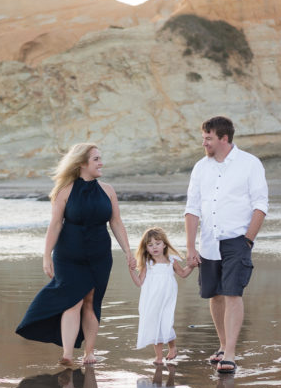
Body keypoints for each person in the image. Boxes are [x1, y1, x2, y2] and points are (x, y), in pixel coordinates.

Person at [16, 143, 135, 366]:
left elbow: (116, 222)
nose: (101, 163)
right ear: (82, 163)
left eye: (100, 158)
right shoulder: (65, 190)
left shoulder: (108, 190)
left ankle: (89, 352)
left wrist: (128, 251)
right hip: (69, 255)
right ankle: (67, 355)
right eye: (96, 159)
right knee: (72, 300)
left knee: (91, 301)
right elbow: (55, 224)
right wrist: (46, 255)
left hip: (99, 255)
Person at [184, 117, 268, 373]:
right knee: (215, 295)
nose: (204, 143)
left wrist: (248, 240)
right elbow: (192, 208)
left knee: (232, 293)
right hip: (209, 241)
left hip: (237, 240)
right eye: (203, 138)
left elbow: (260, 204)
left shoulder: (250, 164)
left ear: (224, 138)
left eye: (208, 138)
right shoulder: (200, 167)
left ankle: (230, 352)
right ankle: (222, 345)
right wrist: (191, 247)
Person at [129, 227, 193, 363]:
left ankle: (172, 348)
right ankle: (158, 356)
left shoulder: (171, 260)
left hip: (167, 298)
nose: (154, 247)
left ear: (164, 244)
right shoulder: (147, 263)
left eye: (157, 243)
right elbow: (139, 283)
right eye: (150, 245)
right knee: (154, 325)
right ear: (146, 248)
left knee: (166, 322)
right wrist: (131, 271)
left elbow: (183, 274)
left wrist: (191, 266)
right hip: (151, 300)